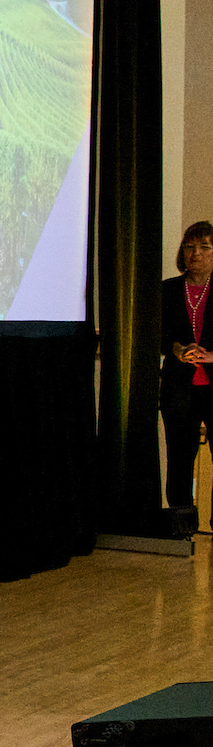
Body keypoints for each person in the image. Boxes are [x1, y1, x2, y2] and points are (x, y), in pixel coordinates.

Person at [162, 220, 213, 534]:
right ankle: (181, 527)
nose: (196, 253)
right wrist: (179, 349)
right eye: (190, 247)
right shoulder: (168, 289)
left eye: (205, 247)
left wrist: (210, 356)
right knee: (180, 457)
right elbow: (158, 334)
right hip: (179, 386)